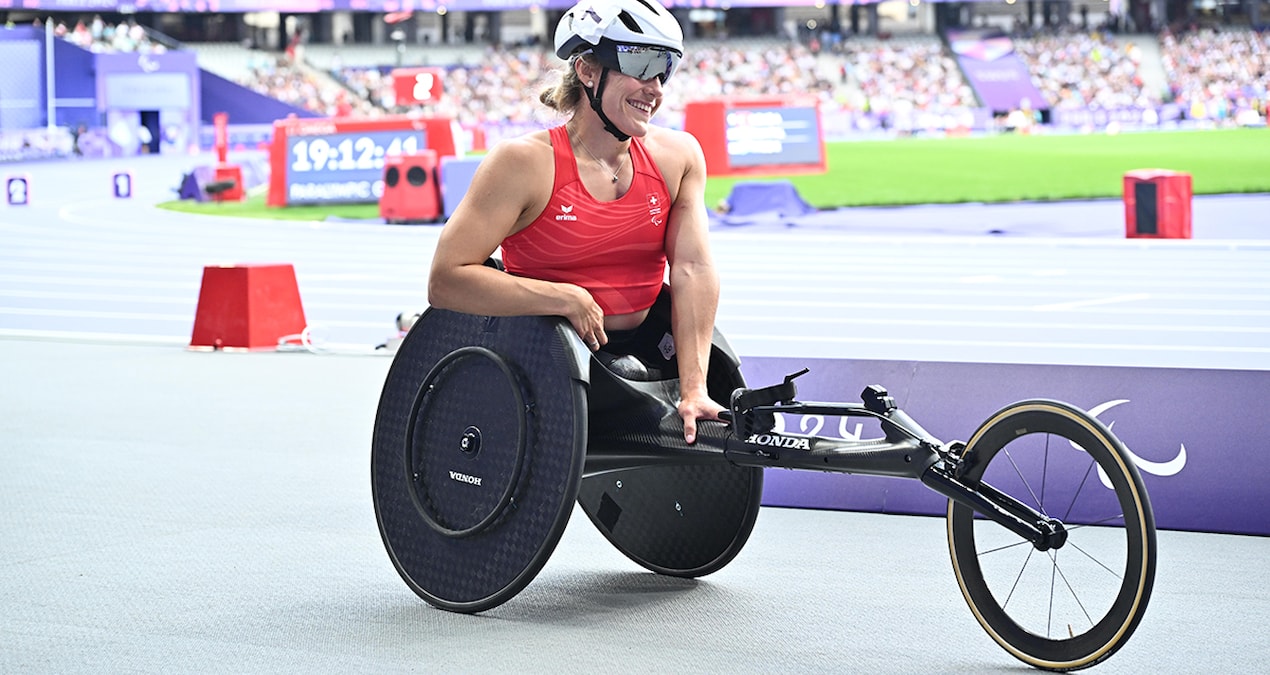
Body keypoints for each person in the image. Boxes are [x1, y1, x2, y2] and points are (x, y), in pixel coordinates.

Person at [428, 0, 721, 444]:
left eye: (664, 68)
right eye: (640, 64)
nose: (654, 87)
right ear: (586, 69)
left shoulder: (678, 157)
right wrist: (563, 298)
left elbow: (693, 269)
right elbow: (446, 281)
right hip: (540, 363)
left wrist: (694, 386)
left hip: (642, 355)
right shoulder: (523, 163)